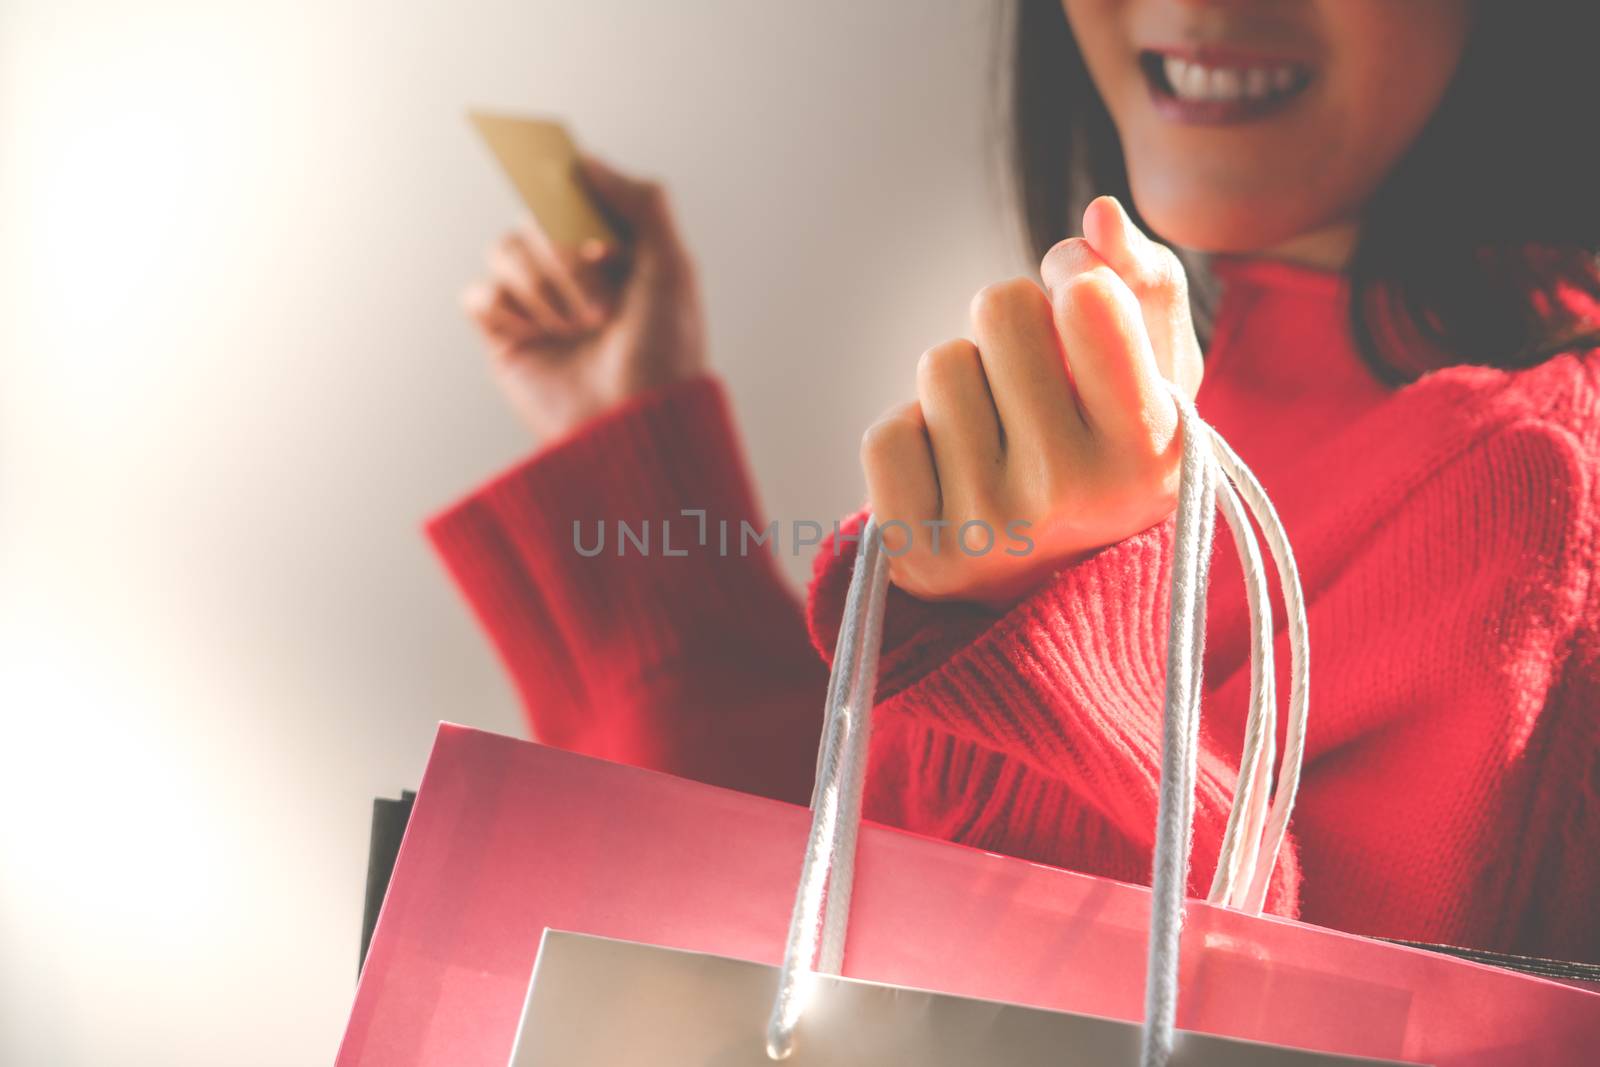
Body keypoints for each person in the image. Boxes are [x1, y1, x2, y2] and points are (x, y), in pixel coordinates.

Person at [436, 0, 1600, 962]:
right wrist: (629, 423)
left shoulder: (1535, 487)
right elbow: (798, 900)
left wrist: (1047, 631)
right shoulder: (1225, 390)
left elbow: (1002, 993)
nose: (1194, 7)